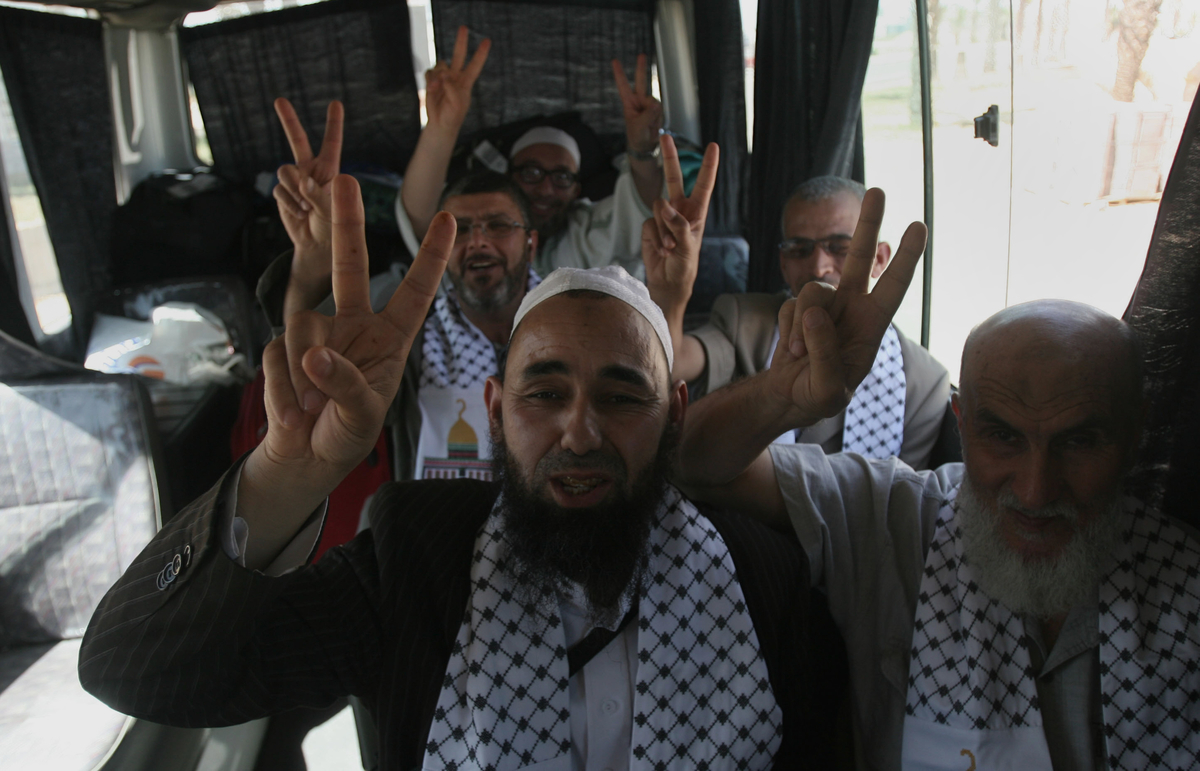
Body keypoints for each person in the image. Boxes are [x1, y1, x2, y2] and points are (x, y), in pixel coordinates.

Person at [78, 171, 816, 770]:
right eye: (544, 394)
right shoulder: (411, 568)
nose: (580, 432)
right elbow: (131, 666)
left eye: (622, 397)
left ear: (676, 414)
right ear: (494, 410)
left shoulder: (761, 578)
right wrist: (288, 473)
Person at [673, 196, 1200, 768]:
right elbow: (689, 464)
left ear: (1135, 433)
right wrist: (781, 398)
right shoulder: (895, 521)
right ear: (962, 424)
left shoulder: (1184, 585)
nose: (1036, 490)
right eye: (1003, 437)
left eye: (1078, 443)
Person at [267, 99, 714, 483]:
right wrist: (312, 262)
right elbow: (310, 366)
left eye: (498, 225)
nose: (478, 241)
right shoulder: (404, 332)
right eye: (460, 230)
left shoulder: (585, 323)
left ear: (531, 242)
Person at [658, 176, 949, 469]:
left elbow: (901, 492)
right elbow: (673, 363)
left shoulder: (923, 383)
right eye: (799, 249)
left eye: (840, 248)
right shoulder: (746, 320)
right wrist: (671, 294)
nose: (818, 267)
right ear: (784, 263)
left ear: (879, 259)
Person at [396, 26, 665, 280]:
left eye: (561, 177)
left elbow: (639, 211)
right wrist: (442, 129)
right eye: (531, 172)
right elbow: (422, 220)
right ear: (508, 177)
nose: (546, 189)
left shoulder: (584, 234)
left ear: (576, 190)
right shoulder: (478, 235)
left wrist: (641, 149)